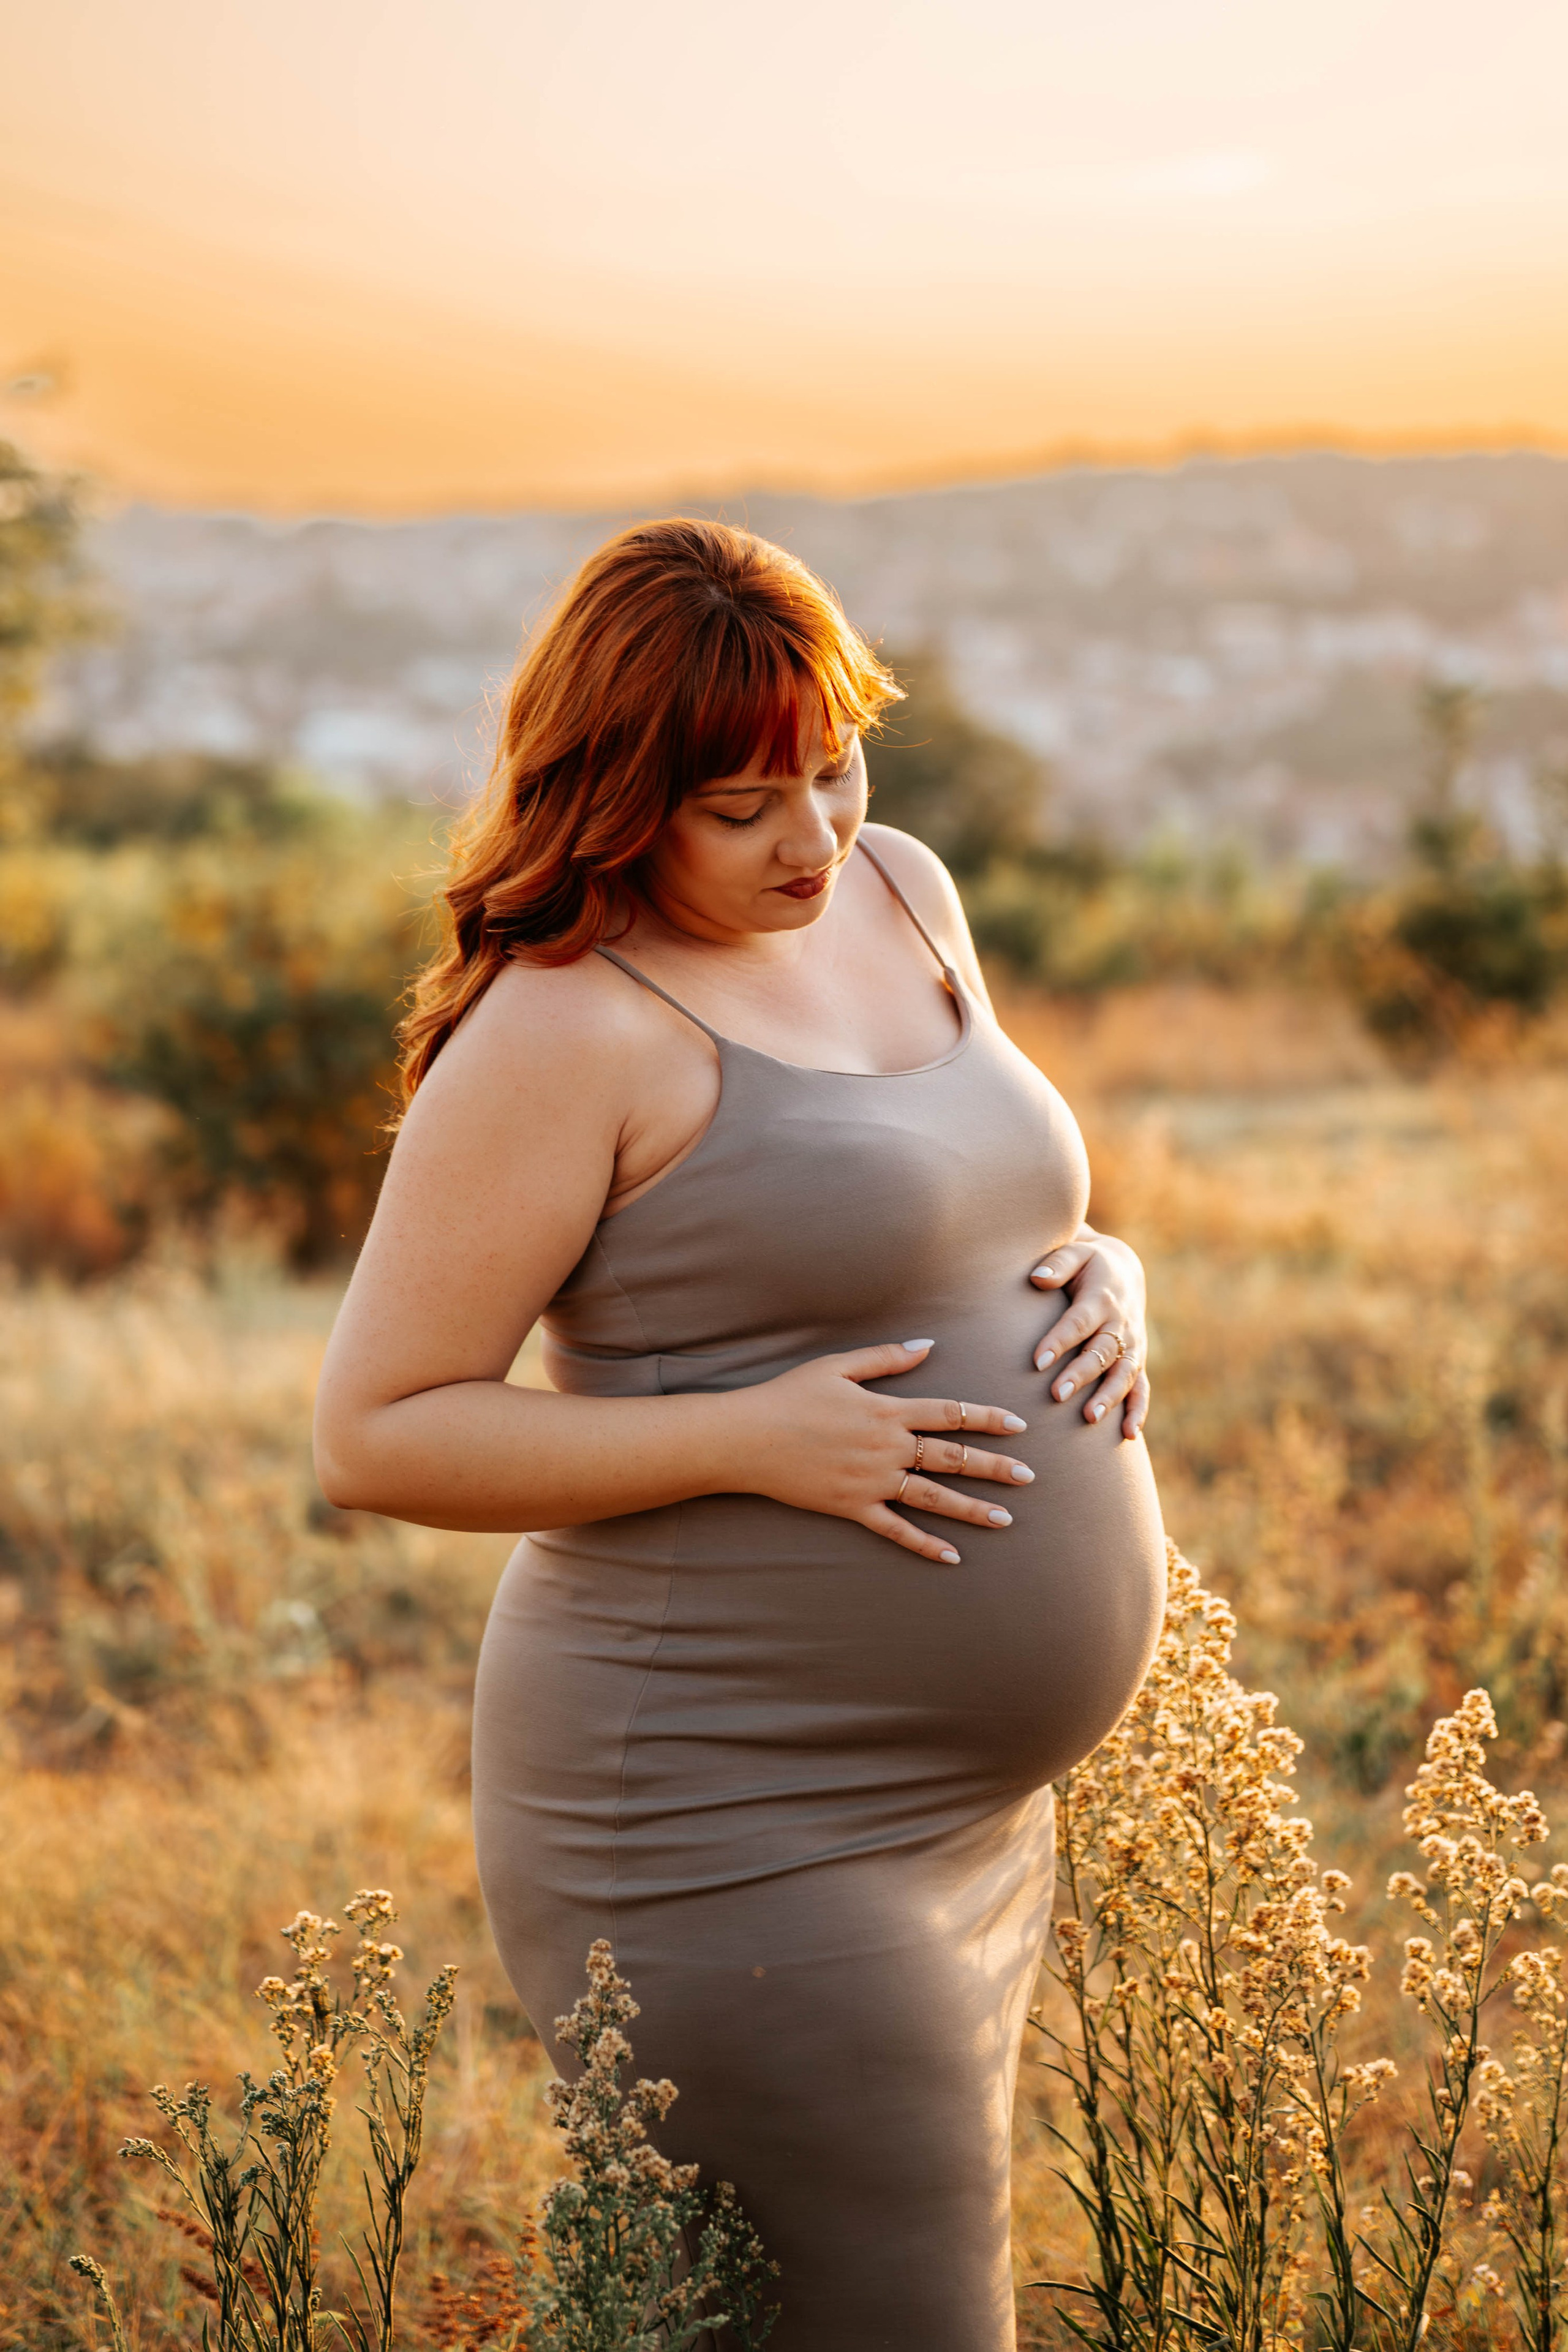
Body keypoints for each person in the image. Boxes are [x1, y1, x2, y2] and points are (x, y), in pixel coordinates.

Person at [314, 518, 1166, 2351]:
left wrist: (1102, 1270)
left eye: (832, 765)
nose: (813, 837)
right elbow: (376, 1433)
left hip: (965, 1809)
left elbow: (968, 1194)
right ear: (619, 797)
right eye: (739, 804)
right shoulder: (565, 1030)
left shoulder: (902, 891)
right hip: (729, 1807)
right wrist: (747, 1437)